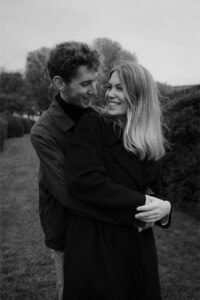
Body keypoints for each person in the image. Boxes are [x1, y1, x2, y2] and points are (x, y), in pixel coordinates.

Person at [63, 62, 172, 299]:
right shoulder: (92, 125)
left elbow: (156, 191)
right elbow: (84, 182)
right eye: (110, 86)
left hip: (138, 247)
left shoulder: (150, 140)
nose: (109, 94)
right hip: (95, 245)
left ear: (139, 95)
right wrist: (144, 202)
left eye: (119, 88)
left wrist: (166, 209)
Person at [30, 41, 99, 300]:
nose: (94, 89)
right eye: (85, 84)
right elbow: (69, 194)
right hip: (67, 232)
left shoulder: (98, 117)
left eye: (94, 81)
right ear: (60, 83)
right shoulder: (44, 132)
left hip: (102, 229)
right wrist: (126, 210)